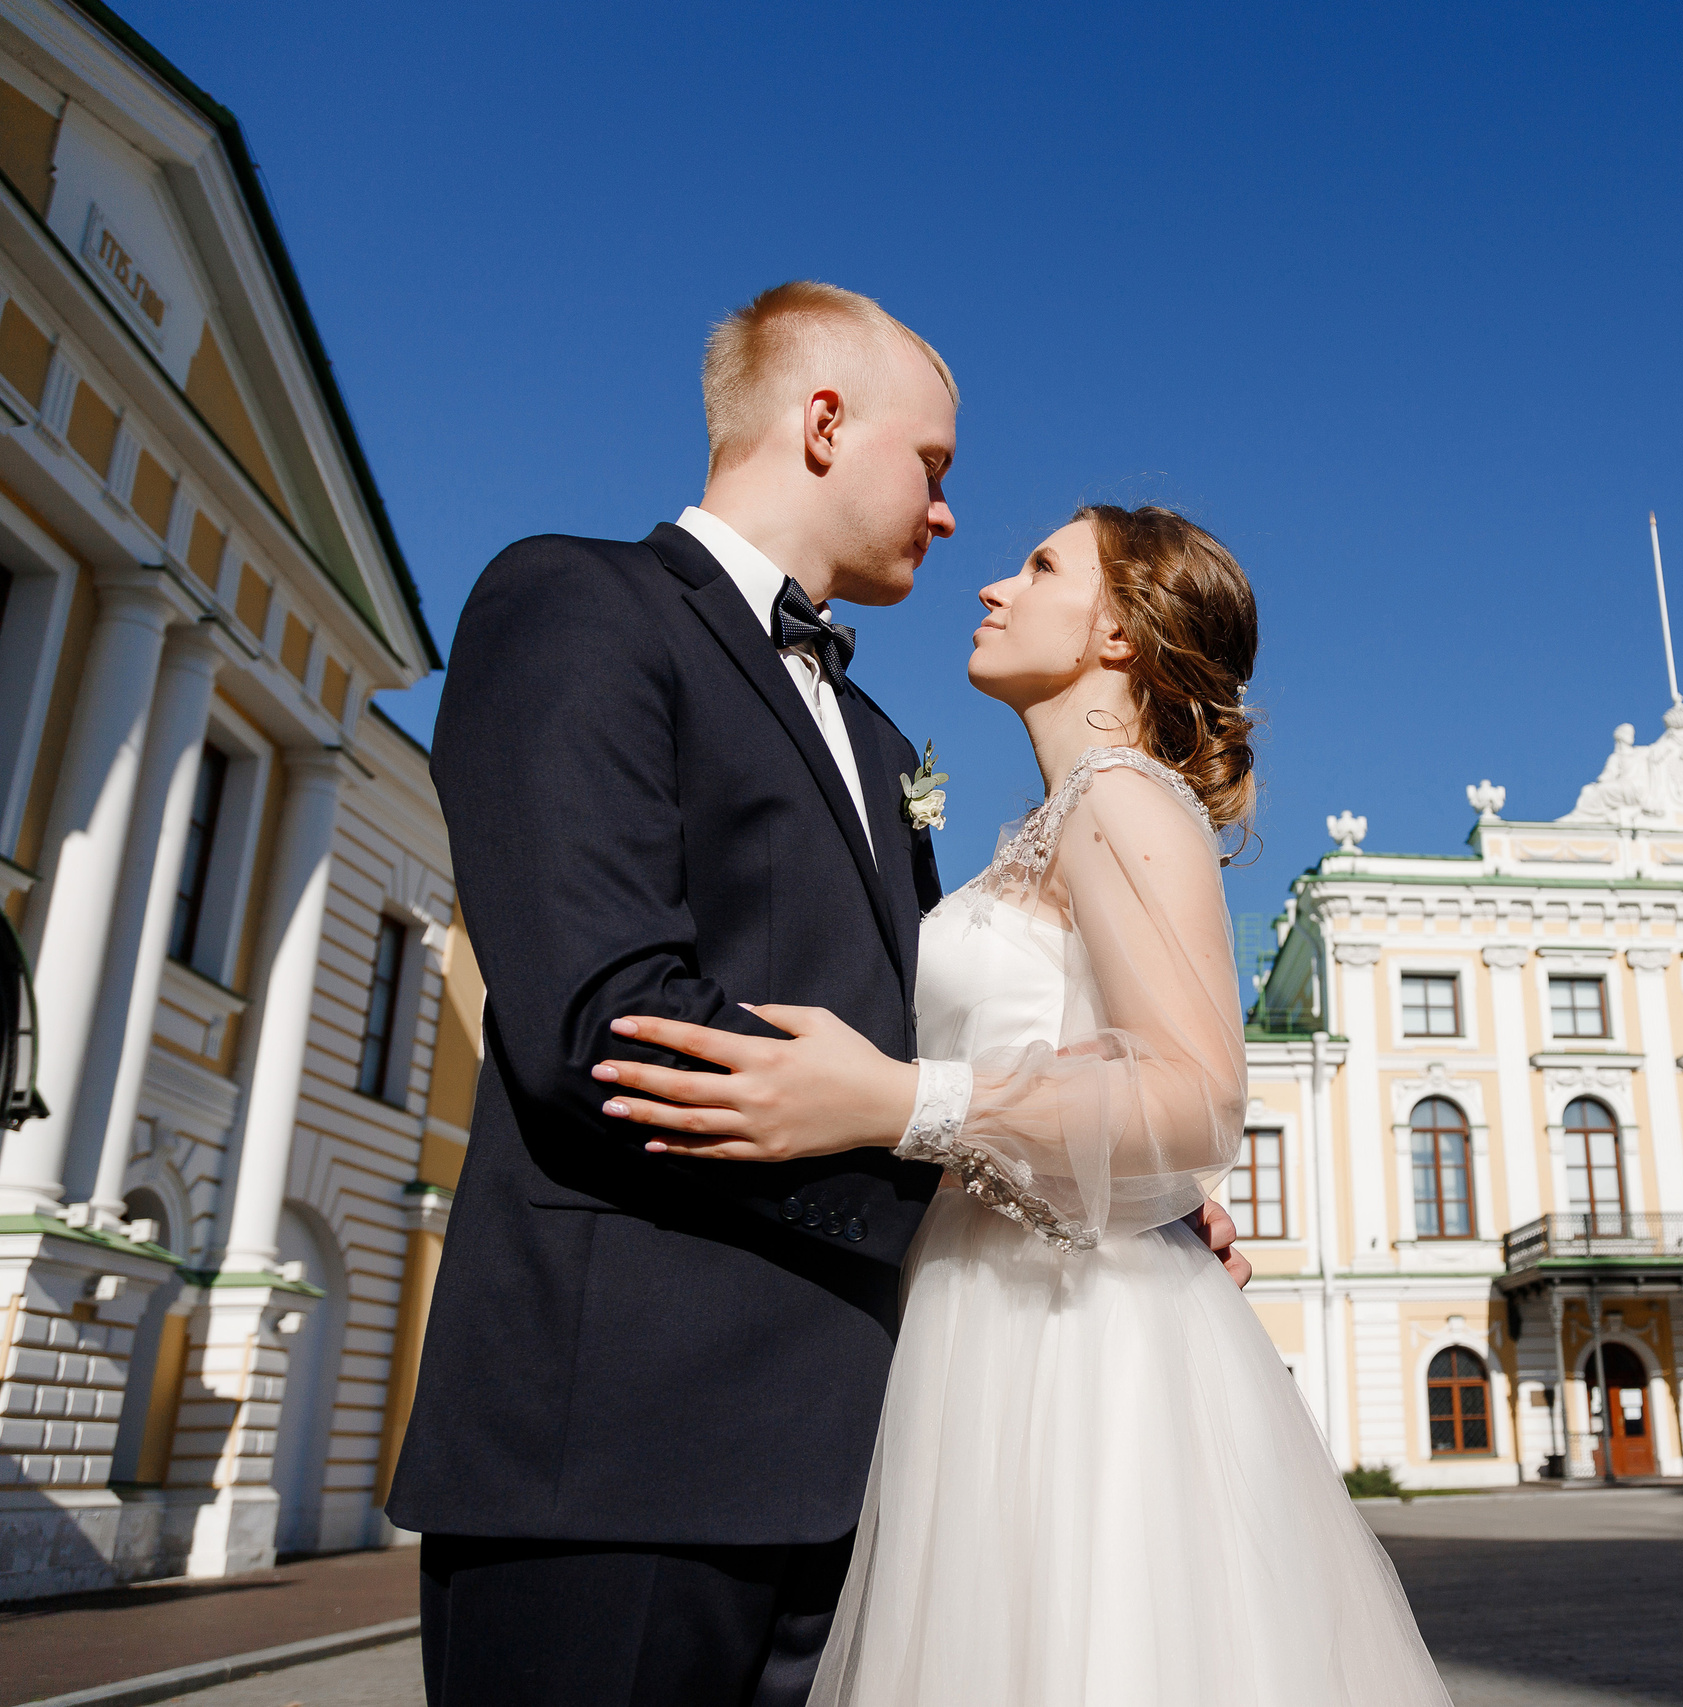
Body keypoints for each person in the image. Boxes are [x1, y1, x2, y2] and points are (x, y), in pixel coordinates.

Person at [388, 282, 1248, 1707]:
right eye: (938, 467)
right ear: (826, 420)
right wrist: (988, 1161)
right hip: (618, 1453)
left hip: (866, 1476)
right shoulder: (575, 600)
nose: (955, 517)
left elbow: (909, 1037)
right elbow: (606, 1024)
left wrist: (1110, 1161)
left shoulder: (879, 731)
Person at [596, 506, 1453, 1705]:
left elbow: (1198, 1099)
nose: (993, 584)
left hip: (1071, 1337)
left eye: (1041, 565)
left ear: (1119, 627)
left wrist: (900, 1099)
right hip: (980, 1294)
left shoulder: (1124, 799)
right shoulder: (1037, 832)